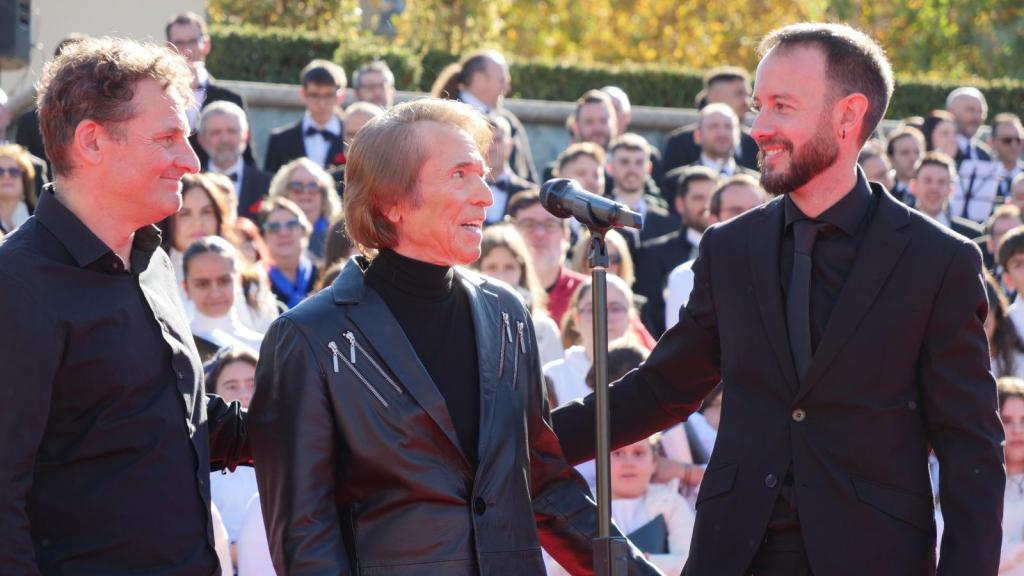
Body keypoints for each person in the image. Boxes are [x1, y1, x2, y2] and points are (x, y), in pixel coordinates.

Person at [552, 23, 1004, 575]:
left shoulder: (939, 261)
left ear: (847, 115)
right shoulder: (729, 247)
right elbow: (661, 388)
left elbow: (970, 450)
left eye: (781, 107)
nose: (759, 128)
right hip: (731, 554)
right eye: (757, 107)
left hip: (874, 558)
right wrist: (526, 445)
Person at [249, 98, 657, 575]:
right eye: (460, 175)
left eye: (483, 174)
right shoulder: (309, 338)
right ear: (391, 201)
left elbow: (544, 486)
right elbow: (305, 540)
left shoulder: (508, 314)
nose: (486, 195)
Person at [0, 36, 250, 574]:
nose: (190, 159)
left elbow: (158, 419)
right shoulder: (16, 287)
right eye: (168, 138)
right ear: (91, 141)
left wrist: (321, 418)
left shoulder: (153, 261)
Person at [662, 174, 767, 331]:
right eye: (735, 210)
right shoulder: (686, 276)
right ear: (712, 219)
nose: (747, 218)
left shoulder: (783, 268)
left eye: (755, 210)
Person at [431, 49, 538, 183]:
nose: (507, 87)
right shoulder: (444, 119)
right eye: (502, 80)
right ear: (479, 79)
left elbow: (526, 174)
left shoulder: (509, 121)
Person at [634, 167, 719, 335]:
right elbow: (651, 316)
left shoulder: (734, 248)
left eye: (713, 197)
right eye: (698, 198)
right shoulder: (652, 255)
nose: (707, 205)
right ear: (680, 204)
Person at [166, 11, 254, 168]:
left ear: (206, 45)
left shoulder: (231, 99)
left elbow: (247, 159)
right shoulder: (159, 97)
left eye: (193, 41)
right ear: (169, 49)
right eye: (179, 43)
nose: (188, 50)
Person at [473, 223, 564, 366]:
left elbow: (554, 382)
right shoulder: (468, 320)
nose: (500, 276)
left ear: (522, 271)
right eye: (492, 267)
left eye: (509, 267)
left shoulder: (543, 330)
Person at [205, 347, 261, 573]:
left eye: (252, 383)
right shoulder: (202, 458)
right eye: (232, 386)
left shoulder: (291, 449)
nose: (244, 394)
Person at [508, 188, 586, 325]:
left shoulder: (588, 294)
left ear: (566, 236)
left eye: (550, 225)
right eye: (528, 224)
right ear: (511, 232)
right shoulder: (497, 292)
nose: (539, 233)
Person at [662, 66, 760, 175]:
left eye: (748, 95)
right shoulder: (680, 143)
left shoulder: (755, 142)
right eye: (739, 94)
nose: (747, 102)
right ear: (715, 96)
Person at [182, 236, 266, 357]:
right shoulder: (180, 347)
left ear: (238, 281)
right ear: (186, 287)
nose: (215, 293)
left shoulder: (264, 347)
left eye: (224, 281)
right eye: (202, 284)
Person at [263, 59, 347, 178]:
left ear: (340, 96)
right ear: (303, 94)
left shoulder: (353, 137)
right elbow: (270, 187)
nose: (321, 103)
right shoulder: (280, 140)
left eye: (328, 95)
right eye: (314, 95)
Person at [607, 133, 679, 257]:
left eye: (639, 162)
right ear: (610, 168)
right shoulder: (599, 217)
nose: (632, 170)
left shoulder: (669, 222)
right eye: (624, 162)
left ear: (649, 168)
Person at [198, 100, 271, 219]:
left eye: (231, 131)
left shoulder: (269, 184)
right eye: (215, 133)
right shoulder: (191, 185)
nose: (224, 139)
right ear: (202, 140)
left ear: (246, 136)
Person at [267, 157, 341, 263]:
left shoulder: (337, 235)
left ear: (323, 194)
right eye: (297, 187)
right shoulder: (273, 231)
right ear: (284, 192)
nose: (305, 192)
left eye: (313, 187)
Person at [259, 196, 319, 309]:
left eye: (291, 225)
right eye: (274, 227)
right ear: (264, 237)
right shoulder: (256, 281)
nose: (283, 232)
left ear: (304, 231)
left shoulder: (323, 275)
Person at [909, 151, 983, 238]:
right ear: (913, 186)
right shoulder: (899, 231)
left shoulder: (973, 235)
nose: (934, 188)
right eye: (927, 180)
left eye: (941, 182)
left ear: (951, 189)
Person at [484, 114, 532, 225]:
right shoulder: (465, 191)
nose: (490, 147)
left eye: (497, 140)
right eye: (485, 140)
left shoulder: (529, 193)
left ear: (509, 146)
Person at [946, 86, 993, 164]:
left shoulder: (985, 156)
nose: (977, 117)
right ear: (951, 112)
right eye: (970, 110)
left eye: (980, 112)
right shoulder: (940, 151)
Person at [0, 144, 38, 233]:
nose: (6, 176)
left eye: (13, 171)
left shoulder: (40, 218)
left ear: (24, 179)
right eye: (0, 171)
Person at [885, 125, 926, 204]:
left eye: (917, 152)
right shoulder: (885, 189)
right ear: (891, 158)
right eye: (904, 152)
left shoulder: (932, 188)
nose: (913, 157)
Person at [991, 113, 1024, 198]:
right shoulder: (981, 174)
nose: (1014, 145)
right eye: (1007, 140)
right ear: (992, 142)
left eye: (1018, 140)